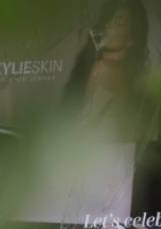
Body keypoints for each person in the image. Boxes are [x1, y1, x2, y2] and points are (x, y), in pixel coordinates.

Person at [63, 0, 151, 140]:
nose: (108, 25)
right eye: (108, 19)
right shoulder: (94, 67)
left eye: (119, 23)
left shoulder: (107, 70)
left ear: (132, 39)